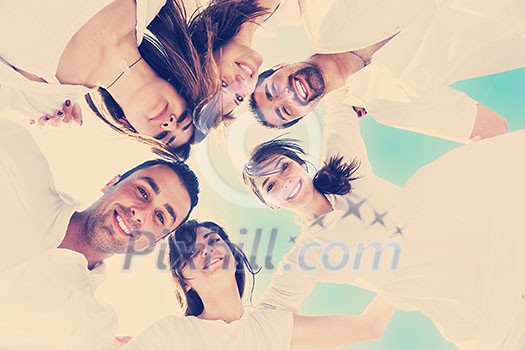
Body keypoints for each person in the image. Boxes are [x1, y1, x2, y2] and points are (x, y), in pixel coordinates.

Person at [243, 88, 525, 349]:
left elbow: (337, 99)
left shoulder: (342, 166)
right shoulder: (308, 254)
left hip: (502, 256)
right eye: (270, 187)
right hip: (480, 316)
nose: (284, 181)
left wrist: (344, 94)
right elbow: (270, 314)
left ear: (301, 164)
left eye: (284, 167)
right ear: (271, 204)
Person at [0, 117, 200, 349]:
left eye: (160, 217)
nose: (140, 214)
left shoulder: (92, 329)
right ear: (111, 183)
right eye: (143, 192)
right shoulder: (17, 163)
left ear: (155, 242)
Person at [249, 0, 525, 143]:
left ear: (279, 67)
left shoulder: (318, 10)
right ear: (305, 114)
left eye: (273, 89)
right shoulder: (389, 106)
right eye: (285, 110)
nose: (286, 95)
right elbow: (491, 130)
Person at [122, 219, 395, 349]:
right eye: (191, 251)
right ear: (184, 280)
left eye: (213, 240)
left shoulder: (271, 328)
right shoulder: (173, 333)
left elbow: (370, 326)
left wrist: (409, 268)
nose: (207, 250)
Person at [0, 0, 215, 159]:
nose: (170, 123)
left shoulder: (43, 98)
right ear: (179, 87)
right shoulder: (149, 4)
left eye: (163, 135)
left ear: (127, 124)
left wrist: (35, 105)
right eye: (182, 118)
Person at [187, 0, 280, 142]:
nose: (242, 83)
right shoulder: (279, 20)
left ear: (205, 56)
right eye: (239, 98)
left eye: (224, 84)